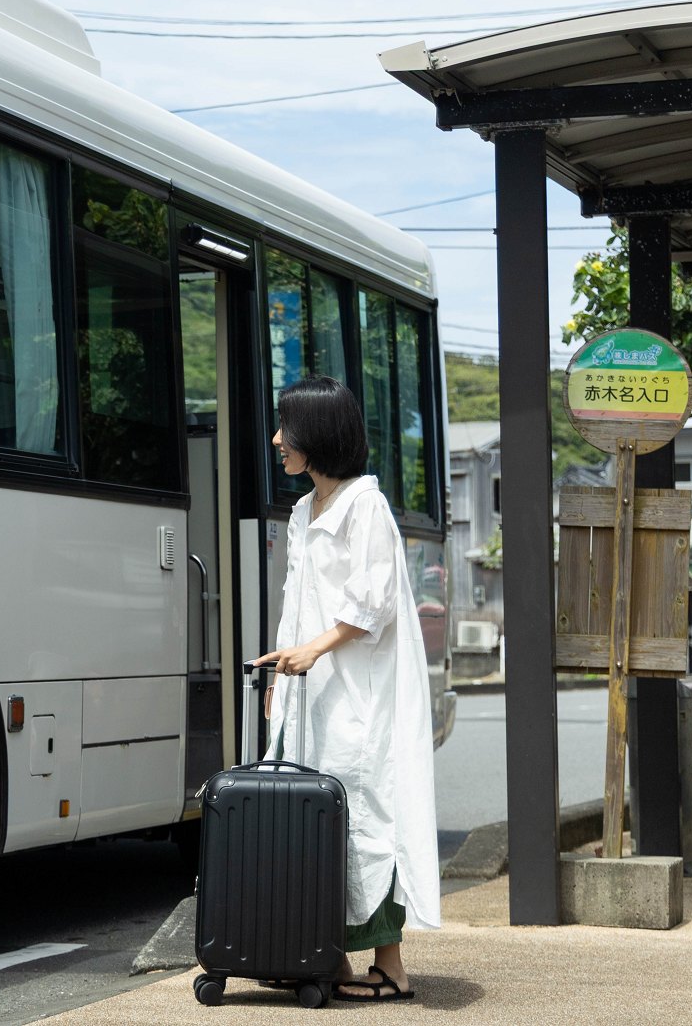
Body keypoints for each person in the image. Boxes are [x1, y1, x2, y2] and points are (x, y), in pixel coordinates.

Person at [249, 375, 441, 1002]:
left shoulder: (367, 505)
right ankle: (326, 957)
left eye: (288, 429)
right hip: (312, 689)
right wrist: (284, 666)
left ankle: (391, 966)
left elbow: (374, 602)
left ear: (319, 434)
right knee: (316, 817)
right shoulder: (306, 510)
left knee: (368, 810)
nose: (278, 439)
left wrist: (313, 649)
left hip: (360, 692)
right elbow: (295, 601)